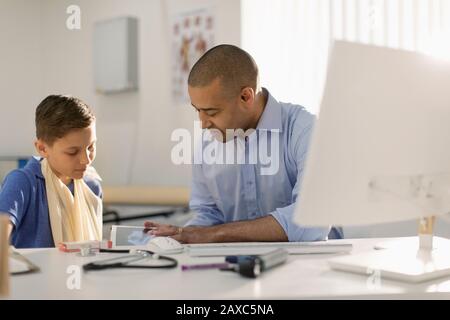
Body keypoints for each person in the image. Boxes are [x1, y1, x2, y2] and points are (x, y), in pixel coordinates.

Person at [145, 44, 330, 243]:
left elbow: (312, 222)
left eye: (212, 112)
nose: (203, 124)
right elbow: (209, 216)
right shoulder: (208, 144)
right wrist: (177, 237)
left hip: (309, 268)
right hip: (240, 269)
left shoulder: (305, 131)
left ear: (246, 97)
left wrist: (217, 234)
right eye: (197, 110)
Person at [0, 95, 102, 248]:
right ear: (42, 148)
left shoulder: (92, 186)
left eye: (91, 147)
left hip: (80, 272)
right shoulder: (22, 183)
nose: (86, 160)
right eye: (73, 152)